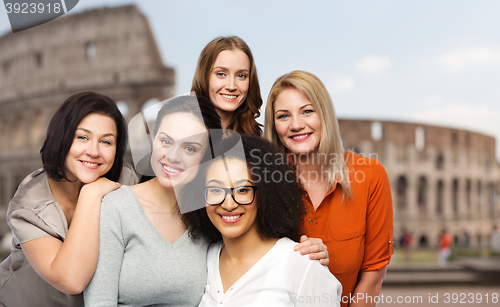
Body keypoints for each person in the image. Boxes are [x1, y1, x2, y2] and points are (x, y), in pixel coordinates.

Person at [84, 95, 330, 306]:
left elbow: (262, 252)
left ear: (207, 157)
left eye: (190, 148)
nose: (172, 156)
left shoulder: (210, 217)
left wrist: (307, 255)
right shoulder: (116, 207)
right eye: (166, 141)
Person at [264, 70, 394, 307]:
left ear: (325, 114)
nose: (296, 125)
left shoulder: (371, 176)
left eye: (307, 111)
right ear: (274, 125)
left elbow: (373, 276)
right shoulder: (264, 183)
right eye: (283, 116)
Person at [0, 92, 132, 306]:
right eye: (82, 137)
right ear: (61, 137)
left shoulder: (125, 178)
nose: (94, 151)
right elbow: (71, 280)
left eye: (106, 142)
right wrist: (91, 194)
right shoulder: (28, 205)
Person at [183, 134, 341, 306]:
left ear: (265, 194)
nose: (228, 204)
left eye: (243, 190)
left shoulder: (301, 265)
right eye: (215, 190)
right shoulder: (208, 258)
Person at [191, 36, 263, 135]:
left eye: (241, 76)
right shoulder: (180, 132)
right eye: (221, 74)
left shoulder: (258, 143)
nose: (231, 86)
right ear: (204, 76)